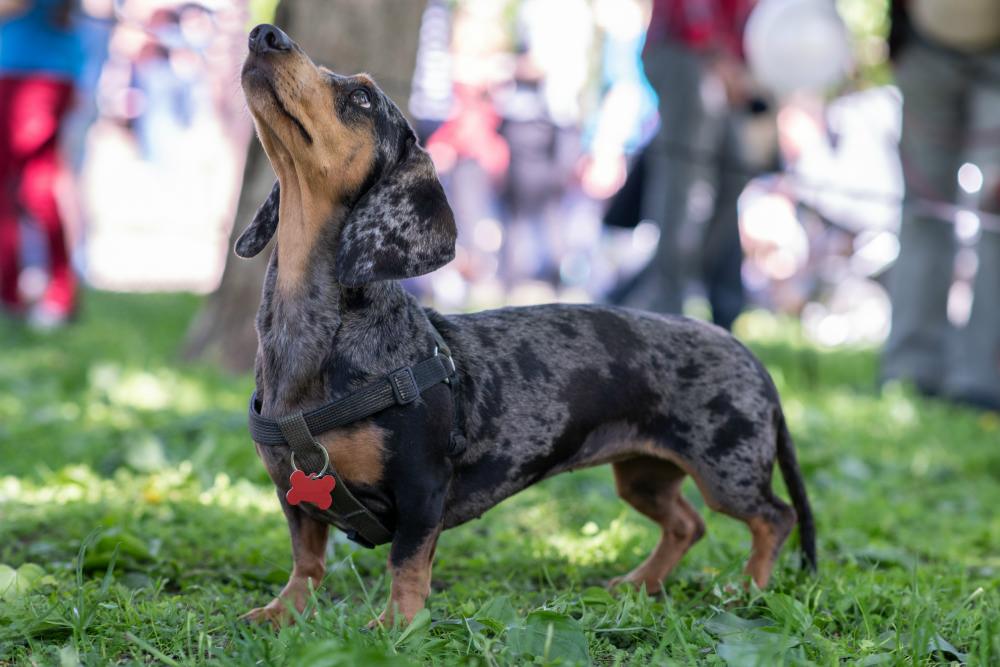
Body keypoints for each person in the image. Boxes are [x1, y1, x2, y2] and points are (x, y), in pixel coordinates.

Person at [881, 0, 1000, 411]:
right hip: (924, 45)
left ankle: (985, 376)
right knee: (922, 213)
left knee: (996, 213)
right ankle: (912, 369)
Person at [616, 0, 755, 331]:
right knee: (686, 188)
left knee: (736, 170)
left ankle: (649, 293)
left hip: (723, 57)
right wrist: (718, 54)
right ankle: (663, 311)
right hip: (686, 50)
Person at [0, 0, 83, 326]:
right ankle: (13, 295)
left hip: (35, 73)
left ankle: (58, 296)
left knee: (38, 187)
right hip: (27, 68)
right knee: (26, 186)